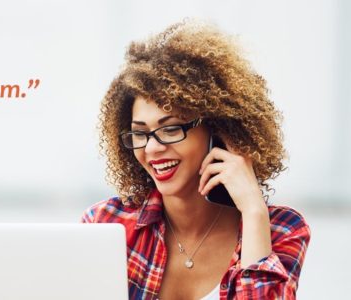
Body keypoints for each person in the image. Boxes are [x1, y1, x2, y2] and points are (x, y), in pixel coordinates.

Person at [81, 18, 311, 299]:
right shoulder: (107, 225)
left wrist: (253, 212)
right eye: (140, 134)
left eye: (170, 129)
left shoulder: (280, 229)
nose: (152, 148)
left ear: (217, 129)